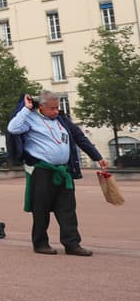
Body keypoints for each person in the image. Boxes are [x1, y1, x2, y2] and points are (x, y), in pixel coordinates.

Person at [7, 91, 106, 256]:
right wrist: (26, 108)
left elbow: (79, 137)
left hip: (63, 171)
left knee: (68, 208)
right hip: (42, 171)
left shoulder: (61, 120)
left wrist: (97, 156)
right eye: (52, 108)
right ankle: (40, 243)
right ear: (41, 106)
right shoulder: (29, 118)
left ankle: (72, 244)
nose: (56, 111)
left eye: (57, 107)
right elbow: (13, 128)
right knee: (41, 209)